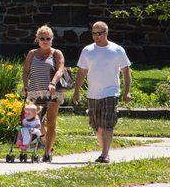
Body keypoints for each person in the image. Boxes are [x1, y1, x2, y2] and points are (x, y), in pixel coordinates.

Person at [72, 21, 132, 163]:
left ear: (106, 33)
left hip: (111, 92)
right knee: (96, 125)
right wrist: (76, 91)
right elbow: (81, 72)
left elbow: (126, 71)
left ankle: (105, 154)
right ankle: (103, 150)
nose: (96, 36)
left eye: (99, 33)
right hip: (93, 93)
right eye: (93, 33)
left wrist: (127, 91)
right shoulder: (87, 50)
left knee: (107, 123)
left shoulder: (117, 50)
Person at [22, 25, 65, 162]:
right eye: (42, 38)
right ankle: (47, 144)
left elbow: (60, 70)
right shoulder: (32, 53)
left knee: (51, 122)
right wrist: (25, 85)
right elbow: (25, 71)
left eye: (48, 38)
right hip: (35, 92)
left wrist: (53, 82)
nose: (45, 40)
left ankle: (47, 153)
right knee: (36, 122)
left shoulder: (56, 53)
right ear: (37, 39)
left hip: (53, 92)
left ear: (52, 39)